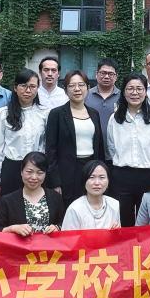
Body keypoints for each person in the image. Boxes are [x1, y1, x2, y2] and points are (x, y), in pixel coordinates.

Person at [107, 74, 150, 226]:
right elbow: (111, 147)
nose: (135, 93)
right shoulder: (115, 118)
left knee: (146, 221)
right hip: (121, 175)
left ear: (145, 92)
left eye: (139, 89)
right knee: (123, 219)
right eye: (130, 89)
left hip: (149, 175)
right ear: (123, 92)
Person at [0, 69, 49, 202]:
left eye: (32, 86)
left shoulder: (45, 113)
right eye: (23, 86)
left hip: (37, 171)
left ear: (38, 88)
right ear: (15, 88)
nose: (28, 90)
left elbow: (46, 146)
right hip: (11, 169)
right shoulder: (2, 114)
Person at [45, 70, 106, 204]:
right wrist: (55, 181)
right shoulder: (56, 114)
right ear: (65, 90)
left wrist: (101, 174)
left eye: (81, 85)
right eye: (72, 86)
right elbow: (50, 150)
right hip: (66, 172)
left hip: (90, 169)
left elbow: (99, 146)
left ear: (88, 88)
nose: (77, 89)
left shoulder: (94, 113)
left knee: (90, 206)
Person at [0, 151, 65, 235]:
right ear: (21, 172)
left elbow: (64, 223)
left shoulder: (55, 198)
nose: (34, 177)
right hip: (18, 243)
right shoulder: (7, 201)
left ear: (45, 174)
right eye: (29, 172)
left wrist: (57, 227)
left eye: (40, 173)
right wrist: (12, 228)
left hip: (47, 243)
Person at [62, 160, 121, 230]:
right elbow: (68, 236)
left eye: (102, 177)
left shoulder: (114, 204)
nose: (97, 183)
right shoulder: (74, 209)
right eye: (92, 177)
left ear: (108, 181)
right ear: (84, 181)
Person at [85, 58, 121, 128]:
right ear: (96, 74)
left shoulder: (123, 97)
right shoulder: (85, 95)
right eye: (103, 73)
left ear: (116, 77)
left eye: (111, 74)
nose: (106, 76)